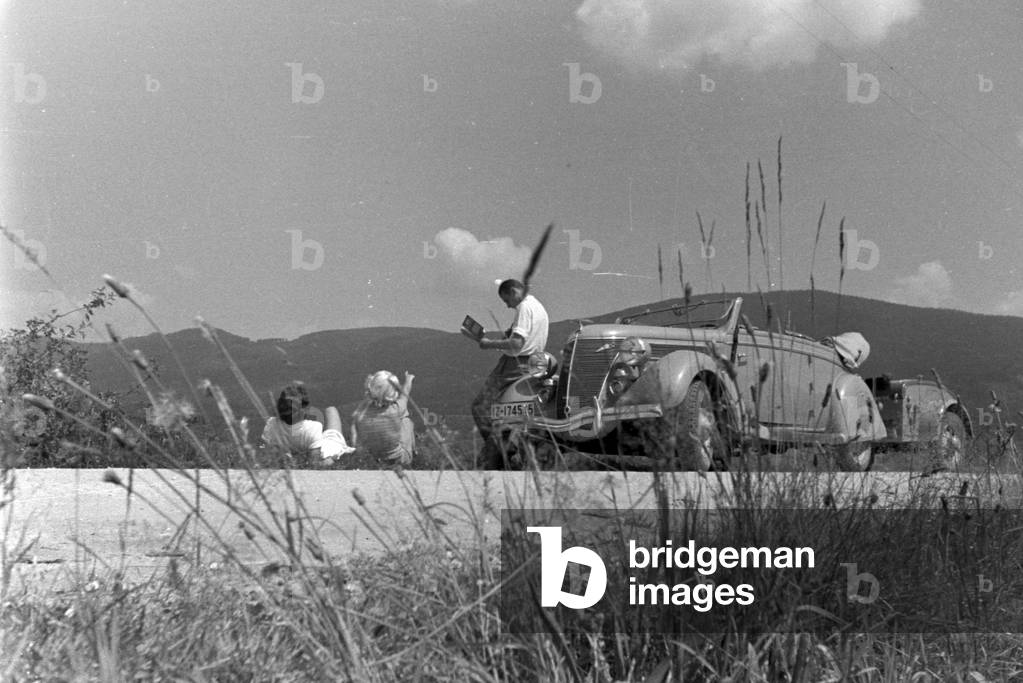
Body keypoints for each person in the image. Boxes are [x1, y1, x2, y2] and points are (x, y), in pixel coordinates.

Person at [470, 279, 549, 457]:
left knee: (480, 406)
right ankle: (505, 443)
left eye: (506, 300)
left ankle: (498, 449)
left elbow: (516, 343)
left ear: (514, 292)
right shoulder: (538, 306)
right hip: (534, 362)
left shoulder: (523, 307)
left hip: (515, 363)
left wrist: (488, 344)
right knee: (506, 408)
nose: (507, 306)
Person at [260, 383, 354, 464]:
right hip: (331, 447)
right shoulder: (312, 428)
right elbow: (315, 463)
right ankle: (329, 401)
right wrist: (332, 459)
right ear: (303, 410)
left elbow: (263, 449)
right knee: (331, 410)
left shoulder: (271, 424)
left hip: (313, 445)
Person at [351, 370, 416, 467]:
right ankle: (413, 453)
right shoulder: (396, 408)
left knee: (359, 425)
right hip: (398, 460)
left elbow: (354, 428)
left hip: (371, 461)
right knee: (406, 419)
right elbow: (405, 393)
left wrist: (358, 450)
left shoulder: (361, 411)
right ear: (394, 392)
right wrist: (408, 379)